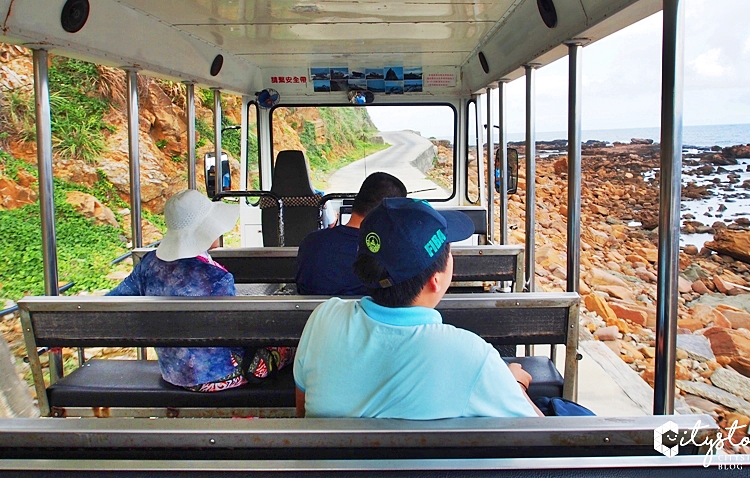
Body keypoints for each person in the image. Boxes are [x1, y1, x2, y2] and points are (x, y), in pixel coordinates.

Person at [293, 198, 541, 419]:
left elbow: (304, 414)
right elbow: (545, 439)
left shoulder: (323, 320)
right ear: (436, 278)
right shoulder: (471, 356)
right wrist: (515, 385)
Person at [108, 189, 293, 392]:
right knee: (293, 347)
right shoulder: (216, 277)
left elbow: (114, 302)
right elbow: (238, 333)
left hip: (173, 372)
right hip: (216, 376)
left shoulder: (149, 264)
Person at [295, 172, 406, 296]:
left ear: (356, 202)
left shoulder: (310, 242)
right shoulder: (385, 254)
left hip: (308, 314)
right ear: (390, 215)